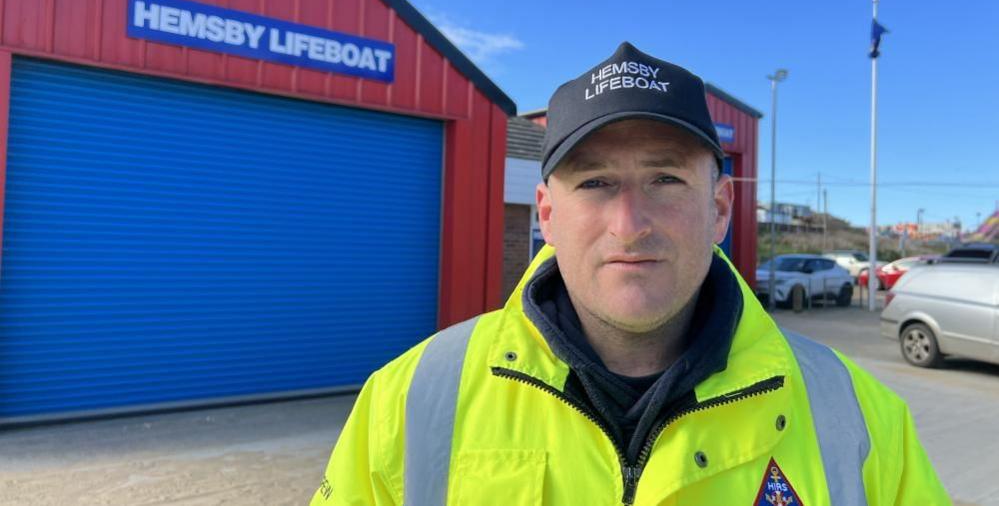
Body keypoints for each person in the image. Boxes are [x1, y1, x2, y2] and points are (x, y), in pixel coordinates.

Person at [310, 42, 949, 505]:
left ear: (720, 207)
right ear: (548, 215)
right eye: (595, 182)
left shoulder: (858, 418)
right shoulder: (409, 400)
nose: (629, 222)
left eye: (665, 178)